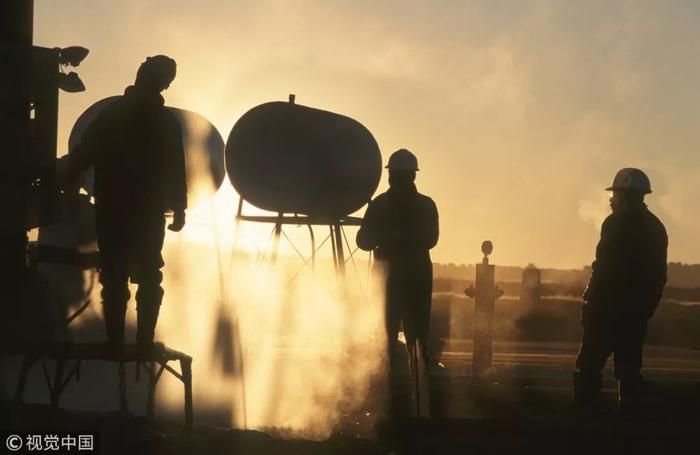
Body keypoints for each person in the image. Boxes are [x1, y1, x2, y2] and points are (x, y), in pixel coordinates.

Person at [63, 55, 187, 350]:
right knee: (143, 274)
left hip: (116, 207)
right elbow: (176, 169)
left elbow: (85, 153)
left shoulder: (114, 114)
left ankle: (117, 341)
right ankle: (140, 340)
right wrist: (179, 207)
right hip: (143, 210)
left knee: (119, 273)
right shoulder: (162, 122)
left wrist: (64, 176)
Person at [575, 168, 667, 416]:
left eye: (615, 194)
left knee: (589, 366)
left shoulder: (614, 224)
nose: (611, 200)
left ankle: (585, 423)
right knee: (628, 371)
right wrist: (644, 310)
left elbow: (602, 268)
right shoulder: (656, 228)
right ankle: (630, 430)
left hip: (606, 310)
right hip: (634, 313)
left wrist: (590, 303)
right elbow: (659, 278)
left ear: (624, 195)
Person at [357, 149, 439, 374]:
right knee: (419, 337)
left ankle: (388, 391)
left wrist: (383, 234)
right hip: (418, 279)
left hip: (389, 278)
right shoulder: (426, 205)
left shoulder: (379, 206)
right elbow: (431, 240)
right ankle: (421, 392)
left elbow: (363, 242)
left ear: (390, 175)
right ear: (413, 175)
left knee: (387, 337)